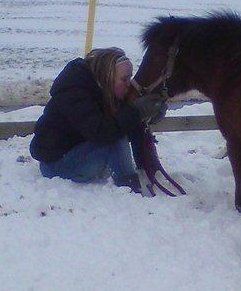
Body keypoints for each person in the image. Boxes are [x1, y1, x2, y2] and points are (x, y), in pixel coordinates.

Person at [29, 47, 166, 190]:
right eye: (124, 79)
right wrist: (136, 112)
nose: (129, 84)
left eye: (130, 78)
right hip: (56, 165)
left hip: (78, 152)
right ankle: (128, 187)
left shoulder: (104, 90)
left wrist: (148, 115)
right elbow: (102, 132)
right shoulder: (75, 92)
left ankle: (141, 174)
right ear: (107, 76)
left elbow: (124, 124)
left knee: (118, 131)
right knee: (114, 138)